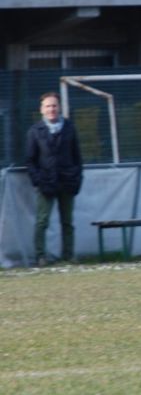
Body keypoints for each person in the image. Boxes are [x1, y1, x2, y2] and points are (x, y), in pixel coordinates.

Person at [25, 91, 83, 266]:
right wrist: (37, 180)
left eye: (54, 105)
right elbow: (30, 160)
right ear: (42, 109)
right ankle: (40, 255)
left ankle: (68, 255)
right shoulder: (35, 131)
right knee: (42, 221)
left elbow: (77, 157)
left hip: (67, 181)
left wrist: (77, 177)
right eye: (48, 106)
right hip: (46, 183)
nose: (52, 109)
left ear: (59, 107)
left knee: (67, 222)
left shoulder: (69, 128)